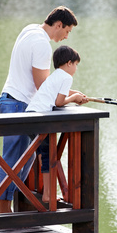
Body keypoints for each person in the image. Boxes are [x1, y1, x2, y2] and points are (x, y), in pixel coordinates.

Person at [0, 6, 80, 213]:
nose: (66, 36)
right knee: (14, 160)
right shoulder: (42, 44)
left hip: (11, 100)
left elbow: (45, 86)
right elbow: (42, 86)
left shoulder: (29, 30)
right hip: (19, 103)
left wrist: (69, 92)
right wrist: (70, 98)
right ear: (58, 25)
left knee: (27, 158)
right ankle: (3, 211)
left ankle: (11, 206)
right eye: (67, 31)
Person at [26, 45, 88, 203]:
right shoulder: (67, 77)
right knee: (48, 156)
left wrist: (77, 94)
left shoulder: (55, 76)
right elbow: (59, 102)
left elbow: (59, 95)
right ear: (69, 63)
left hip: (29, 116)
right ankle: (48, 195)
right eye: (76, 64)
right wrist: (74, 99)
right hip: (40, 119)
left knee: (42, 154)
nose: (76, 68)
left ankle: (46, 193)